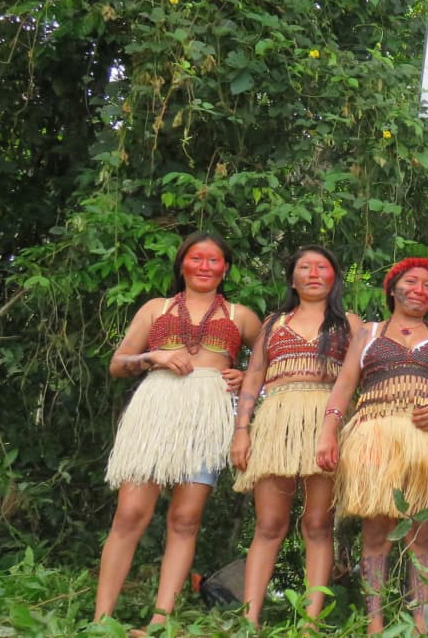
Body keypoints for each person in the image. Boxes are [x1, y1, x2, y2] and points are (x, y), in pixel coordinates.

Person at [94, 232, 262, 628]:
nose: (204, 267)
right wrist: (154, 355)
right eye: (196, 258)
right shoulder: (157, 308)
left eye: (213, 260)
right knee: (130, 513)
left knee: (185, 519)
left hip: (207, 415)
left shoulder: (242, 315)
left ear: (225, 269)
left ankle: (159, 620)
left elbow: (269, 361)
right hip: (155, 411)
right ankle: (102, 619)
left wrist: (246, 375)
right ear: (182, 265)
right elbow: (118, 363)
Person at [315, 257, 428, 634]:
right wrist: (328, 431)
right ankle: (375, 623)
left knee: (423, 534)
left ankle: (420, 622)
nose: (420, 290)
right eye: (412, 282)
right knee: (376, 533)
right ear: (393, 289)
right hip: (376, 433)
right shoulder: (368, 333)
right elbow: (345, 385)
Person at [230, 246, 362, 625]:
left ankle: (310, 621)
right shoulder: (274, 322)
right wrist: (242, 430)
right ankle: (249, 618)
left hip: (326, 423)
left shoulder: (349, 323)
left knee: (318, 525)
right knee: (269, 524)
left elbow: (359, 377)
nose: (314, 273)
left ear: (334, 277)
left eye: (323, 267)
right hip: (276, 421)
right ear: (292, 278)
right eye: (305, 267)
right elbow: (254, 375)